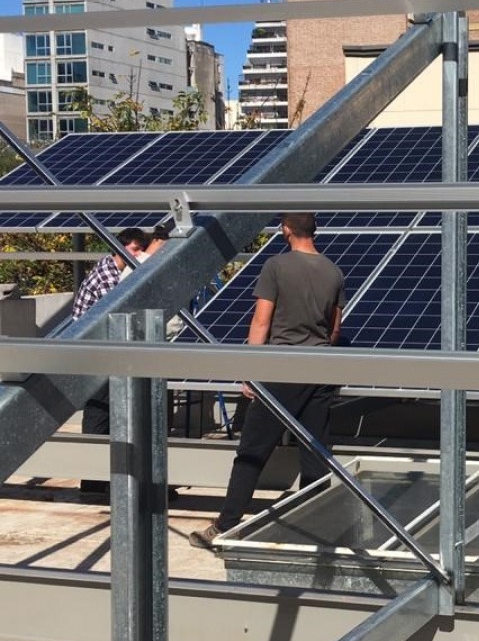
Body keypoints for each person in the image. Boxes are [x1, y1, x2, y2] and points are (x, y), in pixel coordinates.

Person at [190, 213, 344, 549]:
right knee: (315, 452)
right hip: (320, 370)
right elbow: (334, 329)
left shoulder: (277, 266)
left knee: (252, 452)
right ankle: (313, 526)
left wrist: (251, 370)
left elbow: (261, 322)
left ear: (286, 230)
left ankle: (226, 524)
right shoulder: (334, 271)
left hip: (280, 370)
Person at [71, 228, 152, 493]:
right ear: (119, 249)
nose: (139, 256)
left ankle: (98, 479)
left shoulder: (112, 270)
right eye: (135, 250)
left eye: (141, 250)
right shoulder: (109, 275)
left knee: (107, 412)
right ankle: (93, 481)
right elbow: (120, 311)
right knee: (99, 413)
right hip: (95, 354)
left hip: (100, 352)